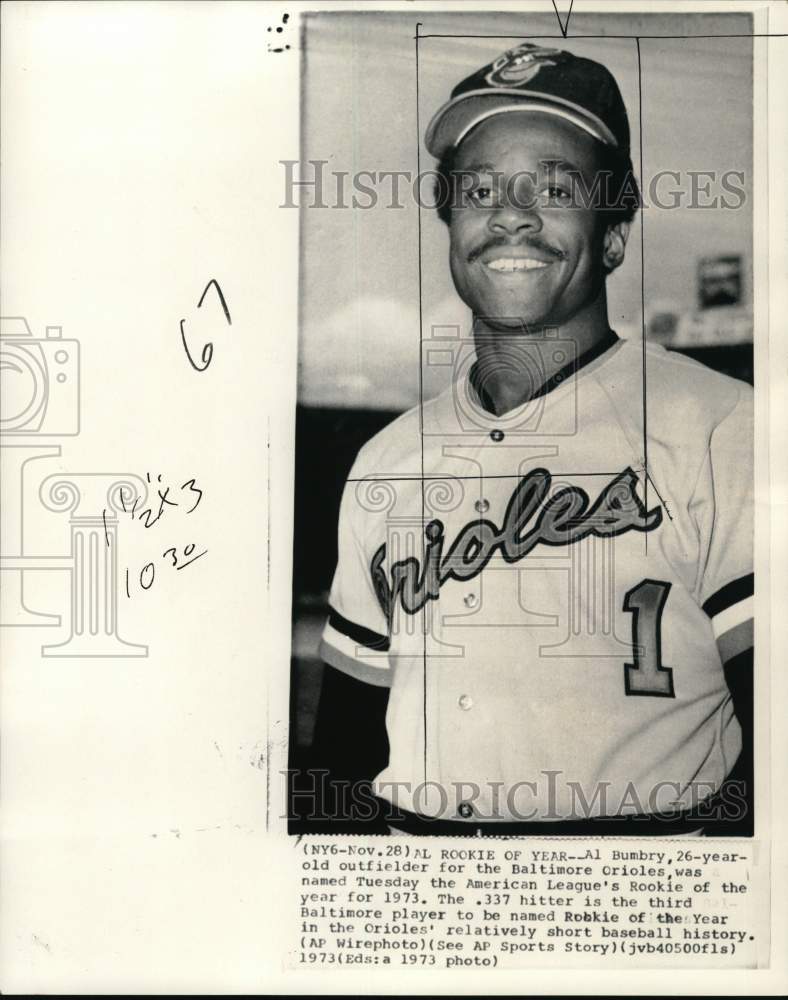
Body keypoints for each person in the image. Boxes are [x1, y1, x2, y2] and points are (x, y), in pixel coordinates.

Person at [306, 42, 754, 836]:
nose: (510, 213)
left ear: (613, 232)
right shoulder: (387, 462)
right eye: (480, 190)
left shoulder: (723, 429)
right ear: (452, 228)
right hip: (423, 896)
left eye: (555, 187)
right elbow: (345, 754)